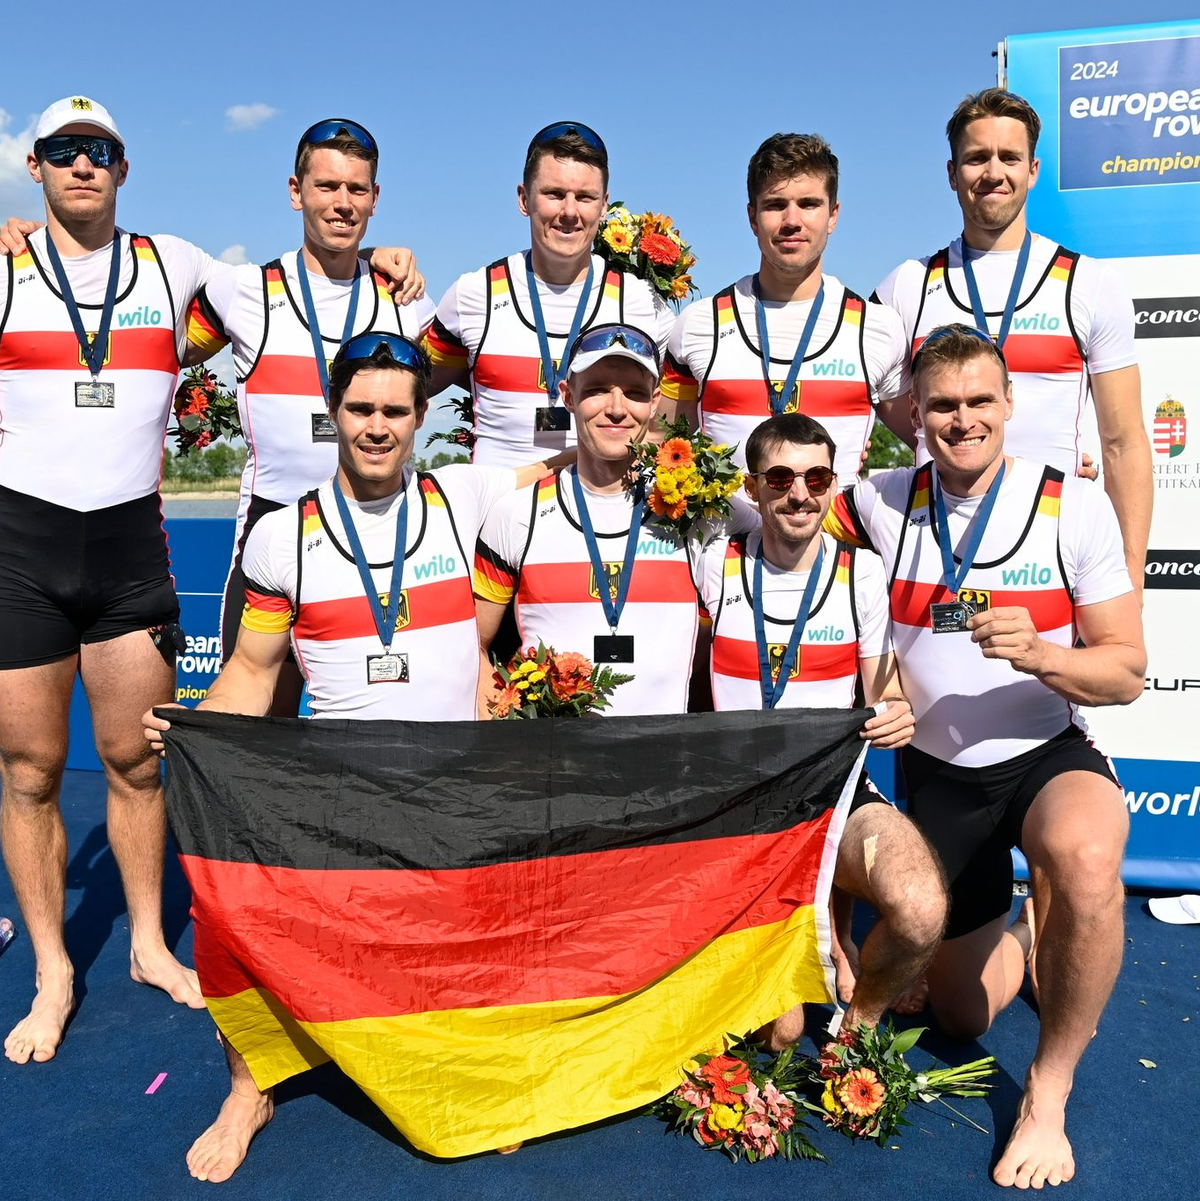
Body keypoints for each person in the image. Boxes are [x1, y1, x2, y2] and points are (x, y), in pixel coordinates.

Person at [143, 332, 566, 1181]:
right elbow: (254, 672)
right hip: (338, 796)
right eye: (361, 409)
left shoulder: (467, 495)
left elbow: (587, 454)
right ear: (334, 415)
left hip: (451, 797)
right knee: (225, 895)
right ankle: (250, 1082)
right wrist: (196, 727)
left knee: (469, 943)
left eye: (395, 412)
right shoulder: (282, 539)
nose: (377, 426)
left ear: (421, 418)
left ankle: (462, 1067)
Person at [826, 324, 1146, 1189]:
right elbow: (772, 516)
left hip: (1047, 756)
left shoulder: (1068, 504)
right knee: (961, 1016)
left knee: (1085, 856)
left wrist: (1047, 654)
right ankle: (1028, 927)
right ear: (914, 414)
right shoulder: (879, 498)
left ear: (1010, 405)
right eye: (942, 405)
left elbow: (1126, 671)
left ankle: (1050, 1088)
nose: (962, 419)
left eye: (979, 401)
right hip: (939, 781)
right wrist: (883, 689)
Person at [0, 95, 233, 1065]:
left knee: (139, 761)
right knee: (30, 771)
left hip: (132, 547)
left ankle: (143, 942)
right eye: (63, 151)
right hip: (21, 550)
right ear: (36, 167)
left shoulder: (174, 265)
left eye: (101, 152)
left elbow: (293, 282)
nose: (83, 165)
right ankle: (54, 968)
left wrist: (391, 261)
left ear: (124, 171)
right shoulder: (5, 266)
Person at [693, 412, 946, 1046]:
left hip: (833, 798)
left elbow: (883, 692)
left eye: (816, 477)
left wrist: (896, 715)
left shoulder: (860, 570)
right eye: (779, 478)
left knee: (920, 908)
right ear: (752, 488)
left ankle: (855, 1033)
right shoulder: (713, 562)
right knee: (778, 1032)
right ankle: (825, 939)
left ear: (834, 485)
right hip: (740, 805)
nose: (799, 493)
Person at [182, 117, 435, 713]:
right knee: (254, 727)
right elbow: (157, 348)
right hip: (273, 525)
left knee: (374, 728)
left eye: (357, 189)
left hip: (378, 529)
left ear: (375, 199)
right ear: (296, 191)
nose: (342, 204)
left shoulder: (405, 298)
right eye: (326, 187)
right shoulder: (245, 290)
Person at [873, 87, 1151, 592]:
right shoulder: (906, 285)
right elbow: (895, 408)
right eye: (977, 157)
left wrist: (1129, 581)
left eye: (1009, 157)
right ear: (952, 172)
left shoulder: (1089, 283)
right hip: (936, 550)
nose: (993, 172)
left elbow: (1124, 443)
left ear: (1033, 170)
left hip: (1057, 555)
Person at [473, 324, 702, 715]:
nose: (616, 407)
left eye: (634, 393)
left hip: (668, 764)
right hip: (549, 765)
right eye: (596, 389)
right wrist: (503, 738)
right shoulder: (515, 513)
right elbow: (471, 646)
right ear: (568, 396)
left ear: (655, 401)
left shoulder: (697, 514)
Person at [661, 133, 912, 480]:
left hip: (834, 535)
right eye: (775, 205)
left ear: (833, 215)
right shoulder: (699, 323)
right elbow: (662, 445)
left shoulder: (878, 327)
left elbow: (928, 443)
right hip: (725, 534)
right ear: (752, 217)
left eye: (809, 204)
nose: (792, 220)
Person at [425, 122, 675, 469]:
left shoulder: (643, 303)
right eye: (554, 194)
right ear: (524, 199)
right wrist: (368, 255)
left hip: (602, 517)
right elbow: (405, 395)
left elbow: (663, 431)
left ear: (604, 206)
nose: (570, 212)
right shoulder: (473, 295)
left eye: (584, 197)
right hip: (495, 517)